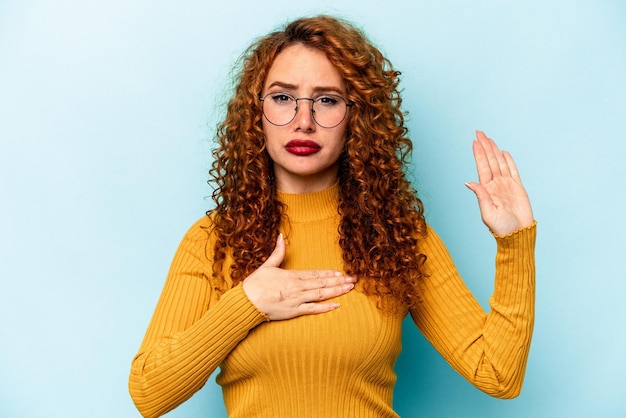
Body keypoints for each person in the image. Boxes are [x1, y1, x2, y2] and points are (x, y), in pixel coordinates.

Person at [129, 15, 536, 418]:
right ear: (256, 114)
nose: (303, 121)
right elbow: (150, 393)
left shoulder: (398, 236)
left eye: (326, 100)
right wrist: (248, 302)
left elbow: (498, 374)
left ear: (355, 117)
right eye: (283, 97)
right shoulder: (213, 240)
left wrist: (515, 241)